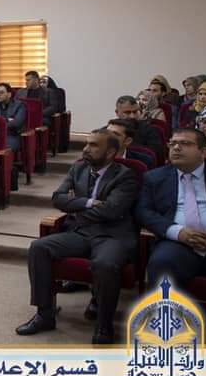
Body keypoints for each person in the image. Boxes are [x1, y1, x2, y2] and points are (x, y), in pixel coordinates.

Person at [16, 129, 139, 344]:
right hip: (81, 232)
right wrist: (89, 203)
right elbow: (58, 198)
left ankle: (104, 325)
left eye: (94, 145)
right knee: (39, 247)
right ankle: (45, 315)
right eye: (87, 143)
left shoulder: (125, 175)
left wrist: (76, 208)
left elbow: (113, 210)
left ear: (111, 152)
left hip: (112, 236)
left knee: (105, 264)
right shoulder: (79, 168)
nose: (86, 149)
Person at [136, 128, 206, 303]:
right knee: (162, 264)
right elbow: (143, 211)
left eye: (185, 143)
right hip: (177, 243)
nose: (176, 148)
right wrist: (177, 232)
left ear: (203, 151)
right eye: (173, 144)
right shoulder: (154, 178)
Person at [115, 95, 165, 161]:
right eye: (127, 112)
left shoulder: (150, 130)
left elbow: (156, 155)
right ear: (117, 113)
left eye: (135, 112)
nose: (132, 116)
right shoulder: (108, 131)